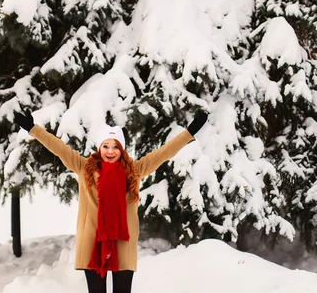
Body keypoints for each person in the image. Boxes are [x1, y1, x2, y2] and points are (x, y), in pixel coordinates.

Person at [13, 110, 208, 293]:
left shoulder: (134, 170)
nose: (110, 151)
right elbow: (59, 148)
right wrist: (33, 129)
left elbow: (163, 153)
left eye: (115, 146)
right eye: (106, 145)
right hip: (93, 243)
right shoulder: (84, 167)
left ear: (122, 149)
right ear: (99, 147)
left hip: (122, 243)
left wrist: (189, 132)